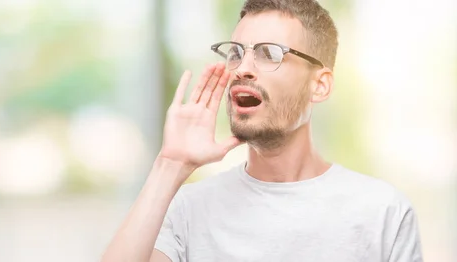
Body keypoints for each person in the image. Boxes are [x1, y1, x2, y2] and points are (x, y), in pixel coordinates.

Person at [101, 0, 423, 261]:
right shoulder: (190, 210)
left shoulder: (384, 213)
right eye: (236, 53)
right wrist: (170, 165)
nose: (242, 69)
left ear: (320, 85)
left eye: (269, 53)